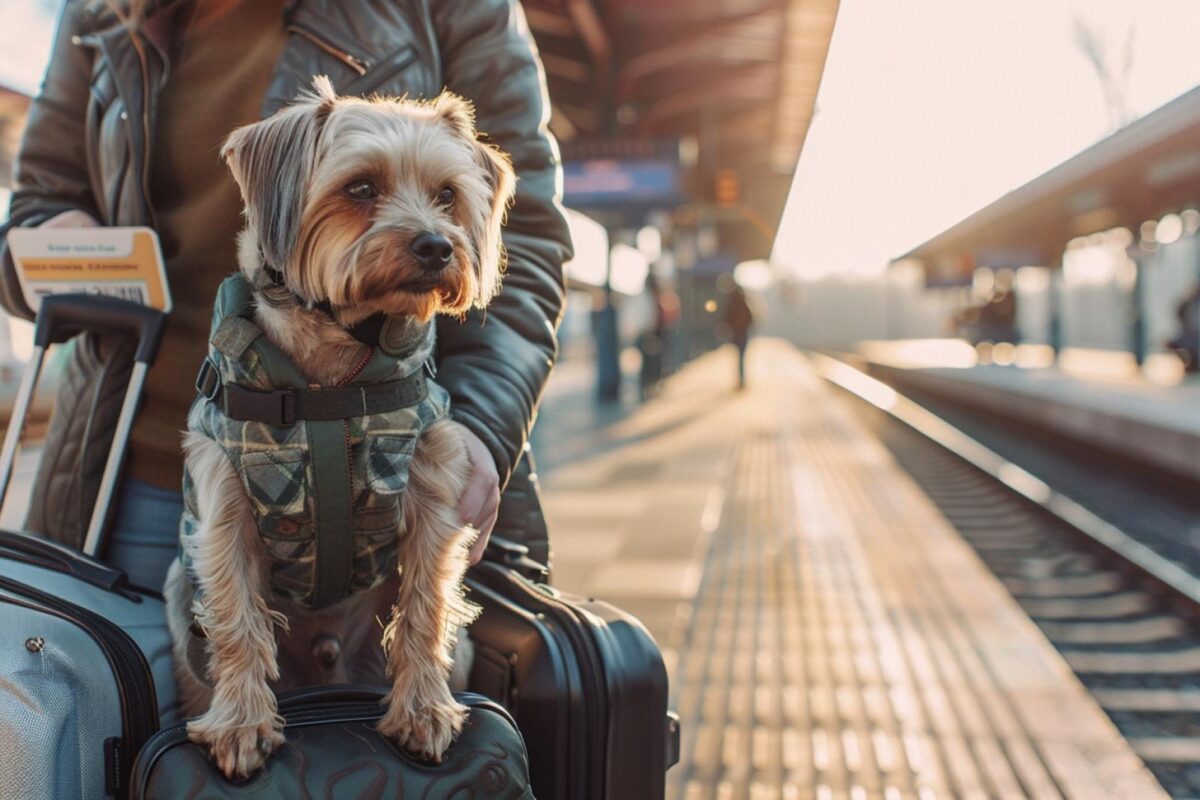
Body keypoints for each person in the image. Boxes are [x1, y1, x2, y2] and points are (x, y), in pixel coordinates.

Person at [0, 0, 571, 590]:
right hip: (139, 474)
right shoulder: (100, 10)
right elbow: (34, 208)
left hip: (394, 469)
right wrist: (48, 239)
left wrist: (480, 424)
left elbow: (520, 237)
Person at [722, 281, 754, 389]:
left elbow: (727, 317)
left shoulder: (732, 302)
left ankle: (740, 378)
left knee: (739, 355)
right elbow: (751, 318)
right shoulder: (745, 302)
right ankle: (741, 378)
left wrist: (731, 326)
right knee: (741, 355)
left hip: (737, 332)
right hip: (743, 332)